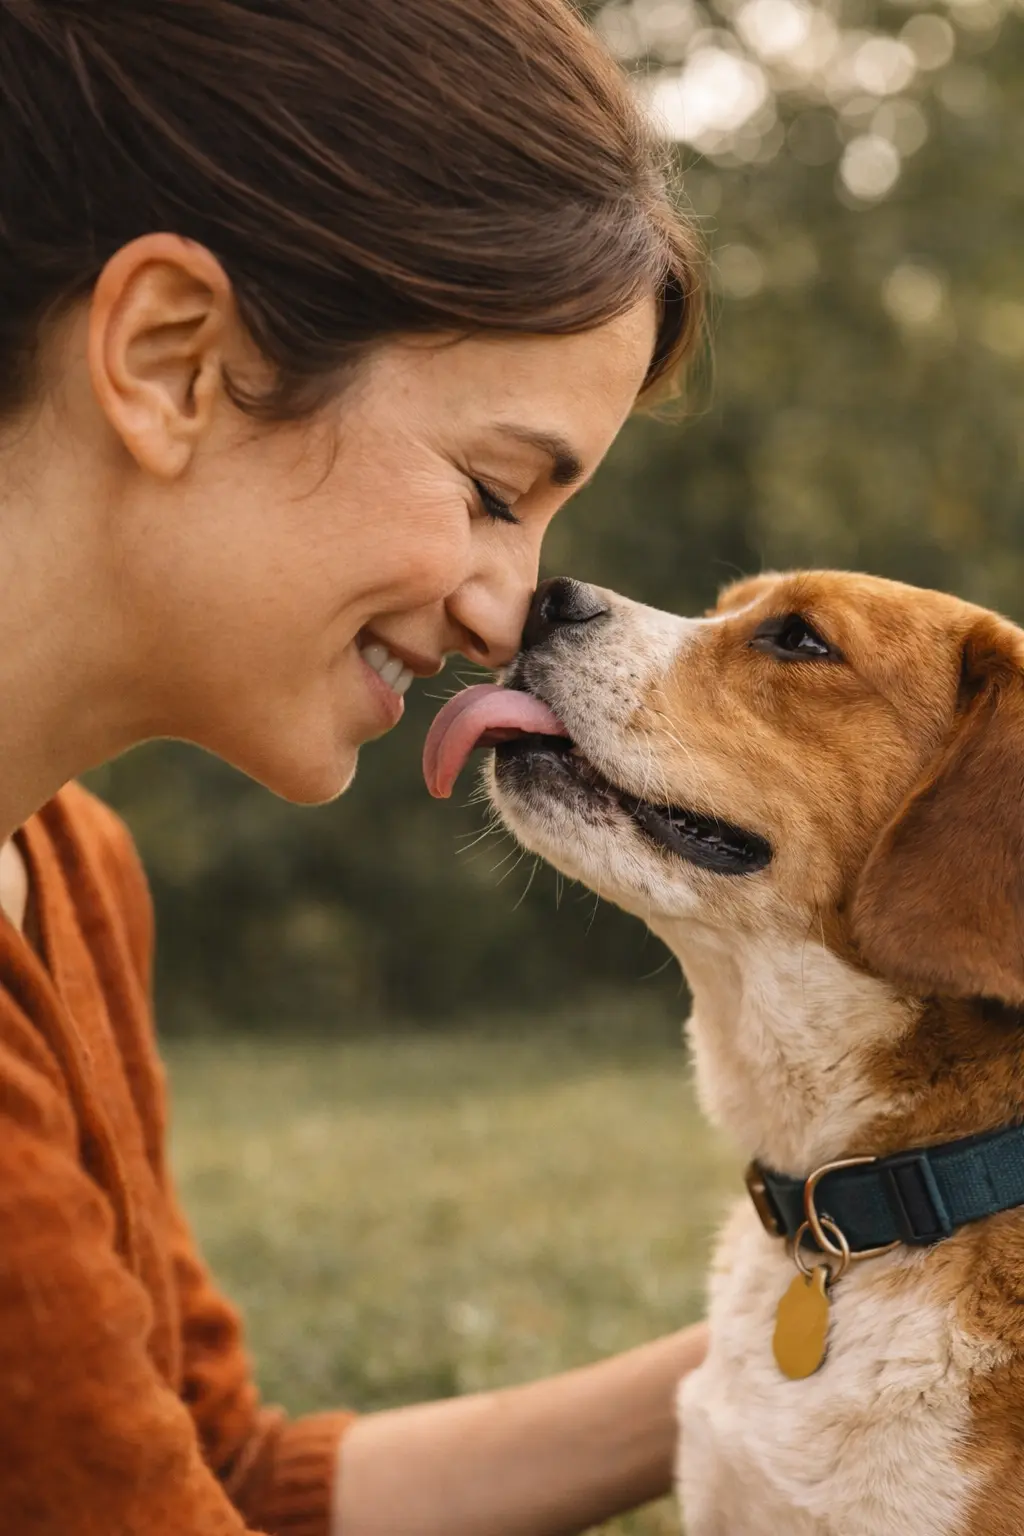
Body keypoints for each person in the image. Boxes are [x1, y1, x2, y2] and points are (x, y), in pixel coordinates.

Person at [0, 1, 709, 1531]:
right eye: (493, 487)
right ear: (171, 358)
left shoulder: (65, 869)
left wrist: (838, 1345)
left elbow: (208, 1476)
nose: (510, 608)